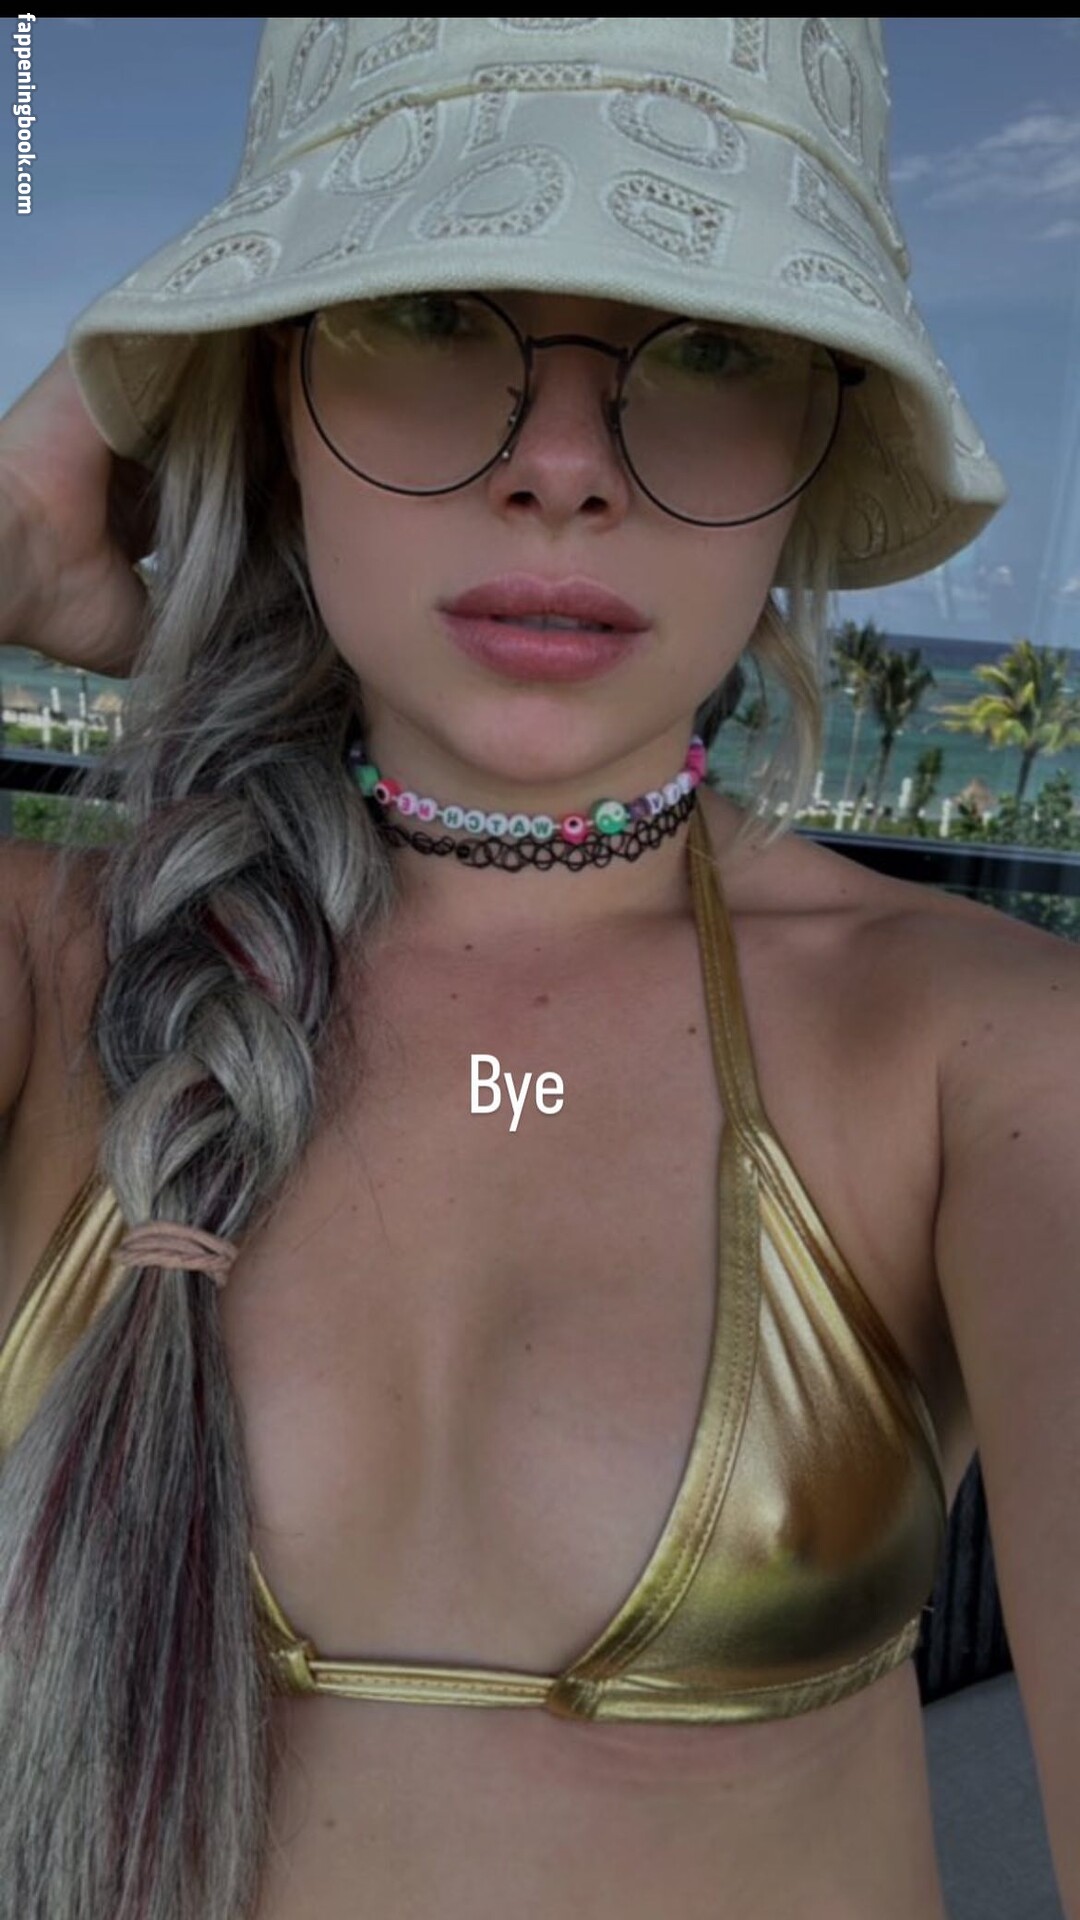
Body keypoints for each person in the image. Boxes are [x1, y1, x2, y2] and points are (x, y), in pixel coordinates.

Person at [0, 18, 1077, 1920]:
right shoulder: (48, 966)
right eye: (425, 312)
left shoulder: (985, 1054)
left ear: (818, 437)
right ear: (272, 390)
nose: (565, 469)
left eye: (715, 344)